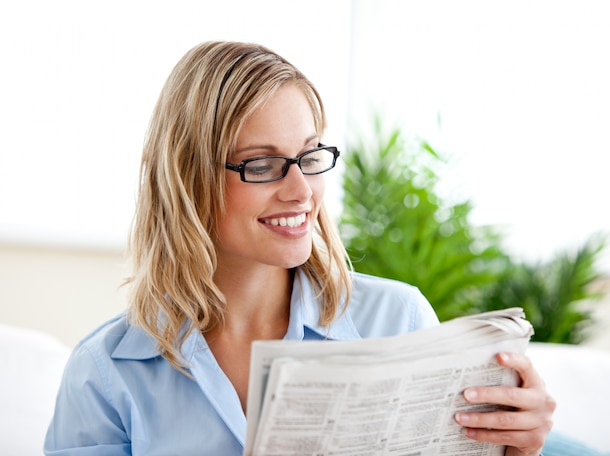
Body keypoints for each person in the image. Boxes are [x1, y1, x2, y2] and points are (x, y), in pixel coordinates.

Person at [44, 40, 555, 456]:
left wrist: (515, 451)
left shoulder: (397, 321)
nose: (301, 190)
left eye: (309, 156)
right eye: (261, 164)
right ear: (187, 179)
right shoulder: (106, 373)